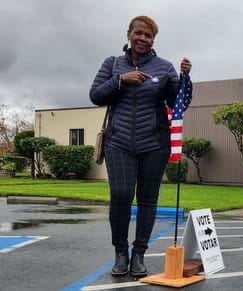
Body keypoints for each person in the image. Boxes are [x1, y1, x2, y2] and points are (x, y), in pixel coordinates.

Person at [89, 15, 192, 278]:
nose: (143, 39)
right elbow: (96, 95)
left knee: (148, 200)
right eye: (139, 33)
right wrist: (121, 80)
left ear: (153, 40)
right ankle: (120, 254)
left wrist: (185, 78)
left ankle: (139, 255)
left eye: (148, 35)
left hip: (154, 144)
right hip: (118, 142)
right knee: (122, 197)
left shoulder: (164, 67)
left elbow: (178, 102)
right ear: (129, 34)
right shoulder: (112, 64)